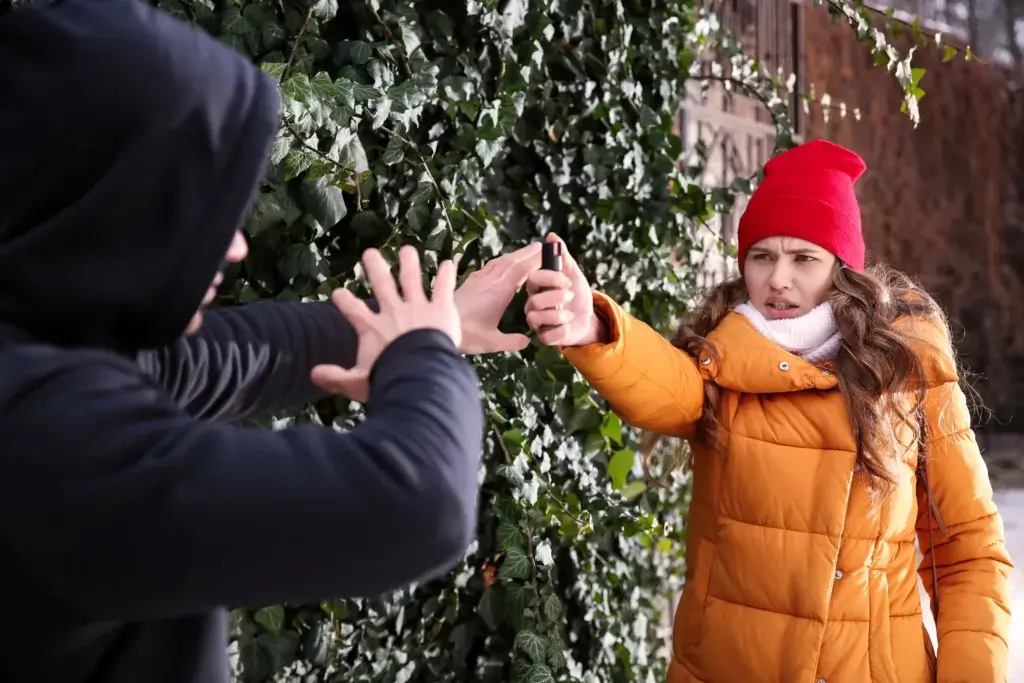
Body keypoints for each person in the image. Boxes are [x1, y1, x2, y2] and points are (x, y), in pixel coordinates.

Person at [0, 1, 539, 682]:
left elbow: (229, 356)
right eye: (195, 209)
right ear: (112, 205)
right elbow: (418, 504)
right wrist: (425, 354)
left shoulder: (40, 339)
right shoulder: (53, 450)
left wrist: (439, 323)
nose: (236, 246)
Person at [524, 139, 1013, 682]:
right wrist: (592, 328)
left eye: (804, 258)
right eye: (762, 256)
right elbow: (661, 383)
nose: (779, 278)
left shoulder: (906, 369)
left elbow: (968, 549)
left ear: (842, 269)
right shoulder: (722, 363)